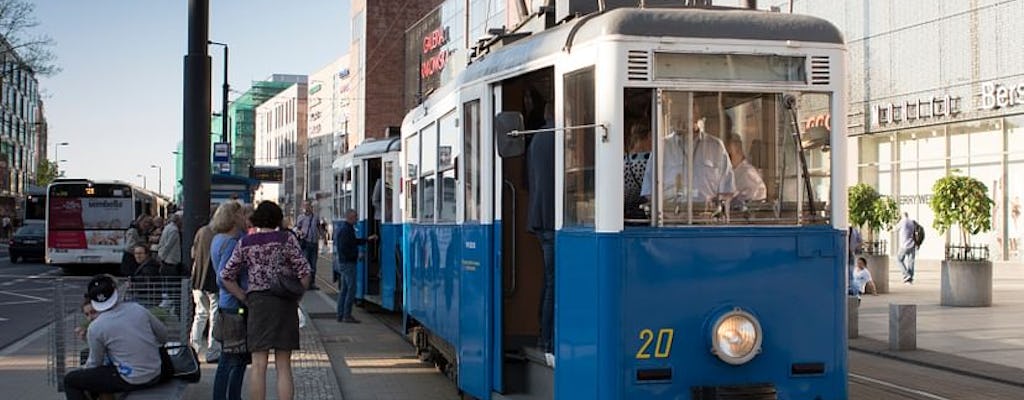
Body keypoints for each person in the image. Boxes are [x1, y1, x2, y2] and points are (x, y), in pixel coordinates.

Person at [221, 201, 311, 400]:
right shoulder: (286, 239)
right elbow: (305, 272)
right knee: (283, 365)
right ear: (278, 219)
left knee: (258, 365)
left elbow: (226, 275)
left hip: (258, 305)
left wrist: (244, 297)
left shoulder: (245, 242)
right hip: (284, 304)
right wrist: (297, 295)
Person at [63, 274, 168, 400]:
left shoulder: (96, 327)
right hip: (156, 372)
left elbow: (95, 363)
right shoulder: (138, 309)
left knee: (70, 380)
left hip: (130, 378)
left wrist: (83, 371)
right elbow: (163, 336)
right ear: (116, 292)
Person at [640, 99, 735, 209]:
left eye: (686, 111)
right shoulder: (661, 147)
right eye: (677, 113)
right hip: (671, 220)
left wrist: (716, 211)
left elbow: (727, 190)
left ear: (697, 113)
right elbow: (649, 191)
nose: (682, 117)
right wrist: (666, 213)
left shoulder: (715, 146)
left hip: (707, 220)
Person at [210, 201, 251, 400]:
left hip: (227, 305)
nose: (246, 218)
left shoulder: (218, 238)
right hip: (235, 307)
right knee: (233, 358)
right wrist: (244, 297)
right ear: (235, 217)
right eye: (243, 214)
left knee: (234, 357)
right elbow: (224, 276)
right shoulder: (232, 243)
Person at [527, 101, 556, 358]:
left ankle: (544, 337)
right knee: (556, 283)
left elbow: (529, 181)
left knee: (550, 282)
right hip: (555, 221)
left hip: (540, 219)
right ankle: (549, 342)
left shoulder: (536, 139)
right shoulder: (562, 136)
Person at [334, 209, 377, 323]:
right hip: (348, 263)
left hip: (345, 262)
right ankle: (346, 315)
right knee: (351, 289)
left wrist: (367, 240)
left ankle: (340, 314)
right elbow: (345, 248)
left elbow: (353, 242)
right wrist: (355, 256)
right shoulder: (346, 230)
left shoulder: (346, 229)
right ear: (350, 218)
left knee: (344, 289)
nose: (357, 219)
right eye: (355, 217)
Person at [189, 219, 221, 363]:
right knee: (214, 316)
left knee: (200, 314)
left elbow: (193, 254)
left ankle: (193, 349)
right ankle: (213, 351)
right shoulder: (221, 235)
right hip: (213, 280)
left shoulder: (201, 231)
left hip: (198, 279)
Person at [725, 132, 766, 204]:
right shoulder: (730, 172)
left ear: (737, 149)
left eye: (728, 151)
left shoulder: (747, 172)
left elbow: (757, 197)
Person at [624, 123, 652, 220]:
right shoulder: (649, 161)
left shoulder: (624, 160)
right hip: (644, 213)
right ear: (649, 136)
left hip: (625, 213)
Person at [295, 201, 320, 290]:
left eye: (308, 205)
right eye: (305, 205)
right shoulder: (301, 217)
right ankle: (305, 283)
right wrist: (300, 233)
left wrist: (323, 238)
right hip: (305, 242)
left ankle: (312, 283)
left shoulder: (316, 217)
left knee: (313, 264)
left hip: (314, 243)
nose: (306, 207)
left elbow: (319, 227)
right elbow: (297, 228)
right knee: (306, 263)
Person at [896, 212, 918, 284]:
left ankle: (906, 274)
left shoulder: (903, 221)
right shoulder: (912, 222)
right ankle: (910, 278)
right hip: (912, 244)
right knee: (911, 262)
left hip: (905, 244)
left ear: (902, 215)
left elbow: (895, 228)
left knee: (899, 259)